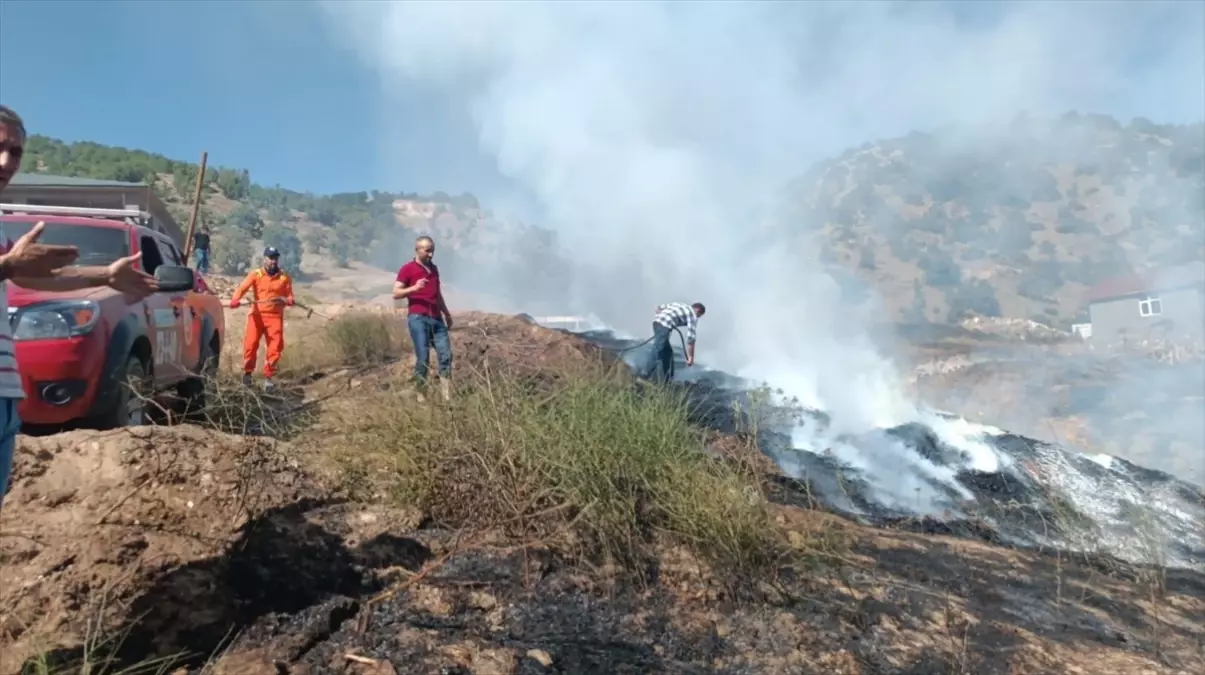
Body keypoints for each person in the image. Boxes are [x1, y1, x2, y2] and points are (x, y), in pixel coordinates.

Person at [0, 104, 159, 513]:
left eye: (15, 152)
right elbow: (12, 271)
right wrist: (7, 266)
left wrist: (105, 275)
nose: (6, 162)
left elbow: (32, 279)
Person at [393, 235, 453, 400]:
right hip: (418, 318)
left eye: (432, 251)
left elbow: (437, 294)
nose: (431, 255)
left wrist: (446, 313)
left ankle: (446, 396)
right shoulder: (408, 269)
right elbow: (396, 293)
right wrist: (414, 288)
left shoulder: (434, 269)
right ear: (417, 250)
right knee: (423, 357)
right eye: (427, 251)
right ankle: (421, 396)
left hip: (436, 318)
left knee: (446, 355)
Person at [229, 246, 294, 391]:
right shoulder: (256, 274)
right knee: (250, 346)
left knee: (275, 348)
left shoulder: (284, 277)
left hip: (275, 317)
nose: (273, 261)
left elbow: (290, 295)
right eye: (270, 258)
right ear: (264, 259)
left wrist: (289, 299)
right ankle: (247, 374)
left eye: (275, 258)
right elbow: (242, 288)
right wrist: (235, 300)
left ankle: (269, 378)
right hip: (256, 317)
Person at [644, 302, 705, 384]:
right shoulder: (692, 315)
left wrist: (663, 316)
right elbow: (691, 338)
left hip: (656, 323)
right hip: (664, 326)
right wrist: (691, 358)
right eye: (699, 315)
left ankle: (668, 379)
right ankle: (646, 376)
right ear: (698, 310)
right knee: (658, 349)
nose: (698, 317)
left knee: (668, 353)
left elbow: (659, 307)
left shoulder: (680, 305)